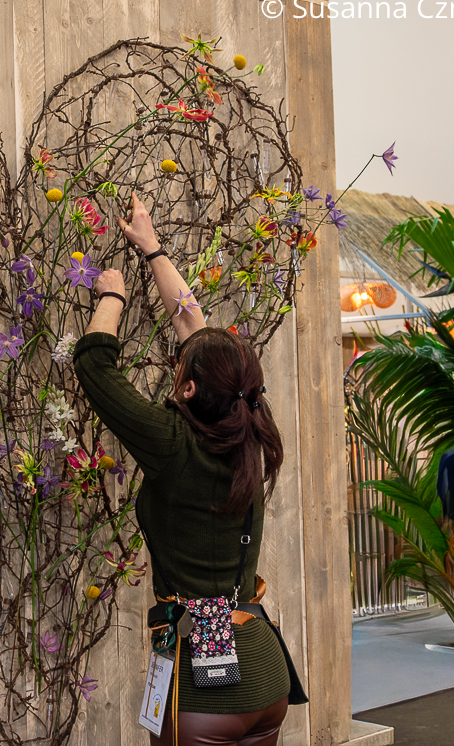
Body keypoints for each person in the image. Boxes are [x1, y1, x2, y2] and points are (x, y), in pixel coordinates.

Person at [72, 192, 290, 746]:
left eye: (180, 368)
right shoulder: (252, 425)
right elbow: (196, 331)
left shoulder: (172, 441)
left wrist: (113, 295)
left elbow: (95, 364)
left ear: (190, 388)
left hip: (204, 690)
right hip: (265, 674)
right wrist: (152, 248)